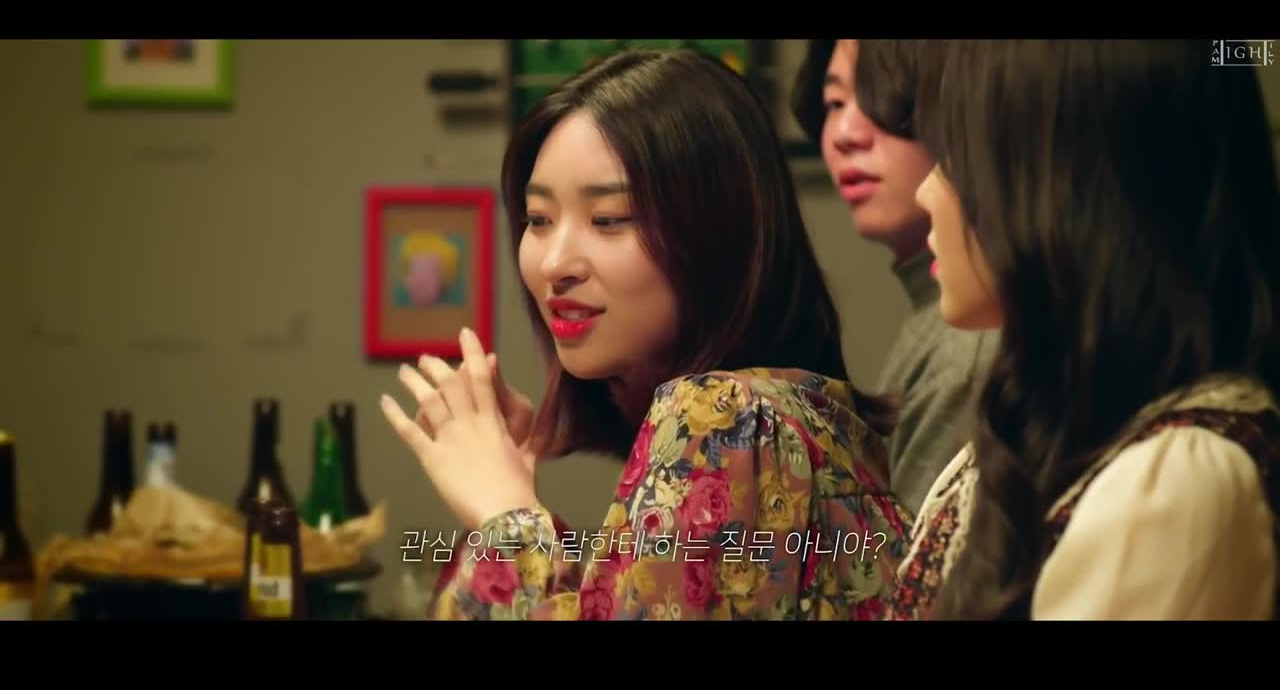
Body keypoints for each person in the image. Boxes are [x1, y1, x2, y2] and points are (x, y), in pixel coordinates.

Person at [379, 48, 913, 620]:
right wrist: (512, 506)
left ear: (716, 233)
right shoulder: (798, 417)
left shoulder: (725, 415)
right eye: (538, 220)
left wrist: (503, 515)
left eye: (608, 219)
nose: (555, 263)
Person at [879, 39, 1280, 620]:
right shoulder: (1040, 429)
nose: (927, 193)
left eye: (955, 159)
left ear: (1067, 187)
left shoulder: (1177, 483)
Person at [790, 39, 997, 514]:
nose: (845, 133)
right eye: (834, 103)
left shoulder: (969, 342)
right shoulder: (933, 321)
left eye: (881, 97)